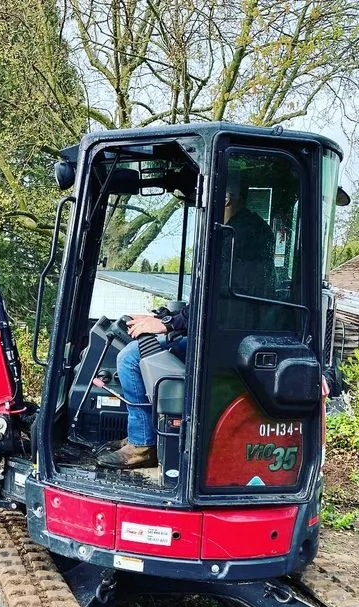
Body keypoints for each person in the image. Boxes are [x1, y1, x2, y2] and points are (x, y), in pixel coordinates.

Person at [97, 173, 275, 470]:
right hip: (230, 331)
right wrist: (167, 318)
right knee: (140, 350)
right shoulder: (247, 230)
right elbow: (212, 299)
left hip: (224, 338)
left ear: (226, 198)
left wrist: (167, 325)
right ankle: (141, 435)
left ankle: (143, 444)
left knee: (129, 358)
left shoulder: (235, 237)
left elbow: (217, 300)